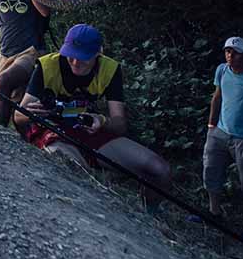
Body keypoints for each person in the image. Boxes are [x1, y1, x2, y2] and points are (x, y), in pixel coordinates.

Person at [14, 24, 172, 212]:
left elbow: (120, 125)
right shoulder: (47, 66)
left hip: (87, 129)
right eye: (70, 54)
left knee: (159, 169)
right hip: (51, 131)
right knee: (73, 170)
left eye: (83, 57)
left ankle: (147, 218)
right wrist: (31, 113)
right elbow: (18, 117)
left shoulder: (110, 70)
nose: (74, 62)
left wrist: (101, 121)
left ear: (99, 53)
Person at [203, 36, 243, 238]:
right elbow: (217, 97)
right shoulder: (222, 70)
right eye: (227, 51)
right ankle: (214, 212)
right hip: (219, 133)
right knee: (211, 170)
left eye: (235, 52)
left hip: (242, 138)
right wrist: (211, 126)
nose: (230, 55)